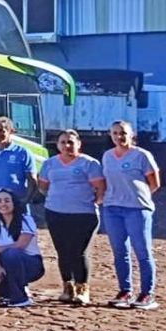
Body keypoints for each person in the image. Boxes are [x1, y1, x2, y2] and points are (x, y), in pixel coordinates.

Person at [39, 129, 105, 305]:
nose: (67, 146)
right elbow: (43, 186)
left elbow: (100, 187)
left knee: (79, 252)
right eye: (63, 142)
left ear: (78, 144)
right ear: (57, 145)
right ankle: (67, 287)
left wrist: (96, 201)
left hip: (84, 214)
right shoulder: (49, 164)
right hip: (55, 213)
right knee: (63, 251)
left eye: (70, 142)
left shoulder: (89, 163)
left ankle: (82, 288)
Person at [101, 120, 161, 310]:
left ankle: (147, 293)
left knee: (142, 251)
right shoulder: (107, 156)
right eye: (115, 133)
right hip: (112, 208)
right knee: (120, 252)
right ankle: (125, 290)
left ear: (131, 134)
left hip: (136, 209)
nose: (119, 137)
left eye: (123, 133)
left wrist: (138, 197)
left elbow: (154, 182)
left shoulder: (142, 155)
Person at [0, 189, 45, 308]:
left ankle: (20, 298)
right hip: (3, 262)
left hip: (29, 264)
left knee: (11, 253)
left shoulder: (26, 219)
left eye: (7, 200)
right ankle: (8, 294)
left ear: (14, 202)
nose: (3, 204)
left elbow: (20, 245)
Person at [0, 116, 35, 218]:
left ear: (10, 131)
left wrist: (25, 200)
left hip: (17, 205)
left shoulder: (23, 153)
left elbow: (32, 180)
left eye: (1, 130)